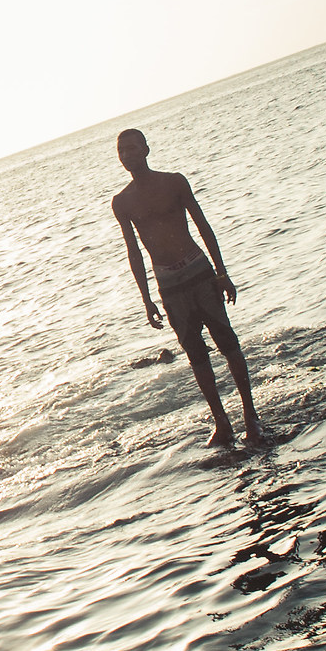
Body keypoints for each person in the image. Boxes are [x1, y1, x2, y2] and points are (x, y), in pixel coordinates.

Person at [111, 128, 264, 448]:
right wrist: (146, 298)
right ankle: (222, 424)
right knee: (195, 354)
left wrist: (222, 273)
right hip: (169, 284)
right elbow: (134, 251)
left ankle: (251, 417)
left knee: (227, 342)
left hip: (198, 272)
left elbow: (202, 225)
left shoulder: (174, 182)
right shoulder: (122, 202)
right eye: (121, 150)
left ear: (146, 150)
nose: (127, 155)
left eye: (132, 148)